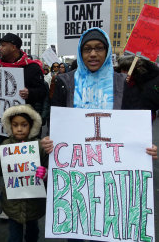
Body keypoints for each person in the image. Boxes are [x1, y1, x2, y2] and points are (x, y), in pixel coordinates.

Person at [41, 27, 157, 242]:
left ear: (107, 51)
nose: (92, 54)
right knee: (75, 230)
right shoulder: (65, 82)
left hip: (109, 175)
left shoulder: (123, 83)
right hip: (75, 173)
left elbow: (133, 124)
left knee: (103, 230)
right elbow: (55, 126)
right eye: (86, 49)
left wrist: (145, 148)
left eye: (98, 48)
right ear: (80, 52)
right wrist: (48, 141)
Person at [0, 104, 48, 242]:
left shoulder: (39, 146)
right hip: (12, 203)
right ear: (10, 126)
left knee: (33, 232)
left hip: (34, 203)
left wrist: (45, 173)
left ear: (31, 126)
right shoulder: (6, 146)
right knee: (14, 236)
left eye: (24, 125)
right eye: (15, 125)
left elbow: (48, 166)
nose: (19, 129)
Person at [0, 33, 46, 123]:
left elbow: (42, 91)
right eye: (0, 45)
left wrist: (29, 93)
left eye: (3, 45)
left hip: (25, 121)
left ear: (14, 47)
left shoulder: (32, 67)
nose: (0, 48)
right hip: (1, 121)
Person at [119, 55, 159, 122]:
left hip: (143, 118)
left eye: (124, 69)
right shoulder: (126, 81)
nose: (122, 72)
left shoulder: (142, 81)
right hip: (127, 117)